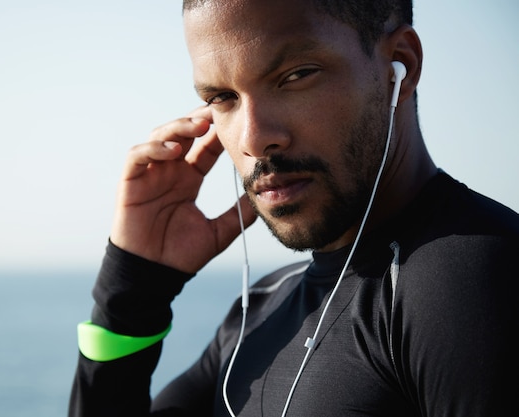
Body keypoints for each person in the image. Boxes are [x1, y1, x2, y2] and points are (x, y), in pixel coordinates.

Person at [68, 0, 519, 415]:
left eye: (296, 75)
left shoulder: (475, 278)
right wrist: (134, 290)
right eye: (222, 98)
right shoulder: (262, 306)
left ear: (401, 63)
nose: (252, 139)